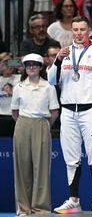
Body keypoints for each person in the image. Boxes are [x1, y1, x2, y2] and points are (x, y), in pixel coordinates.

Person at [47, 16, 92, 215]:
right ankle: (73, 200)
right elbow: (52, 80)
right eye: (75, 29)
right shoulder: (65, 53)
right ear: (71, 31)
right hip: (68, 111)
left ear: (89, 31)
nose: (78, 33)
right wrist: (58, 61)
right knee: (71, 159)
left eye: (82, 29)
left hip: (90, 112)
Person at [11, 53, 59, 215]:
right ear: (24, 68)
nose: (31, 67)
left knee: (42, 168)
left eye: (35, 64)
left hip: (42, 124)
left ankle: (41, 208)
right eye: (28, 64)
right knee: (21, 167)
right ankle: (23, 208)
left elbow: (54, 112)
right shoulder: (19, 87)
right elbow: (14, 112)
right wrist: (24, 125)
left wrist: (43, 126)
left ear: (40, 67)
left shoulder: (48, 87)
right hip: (22, 124)